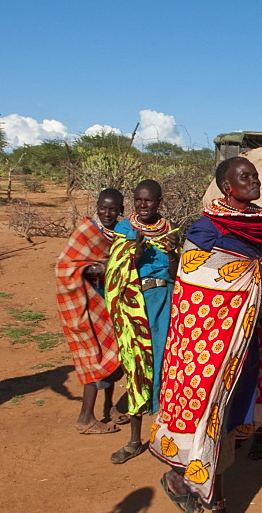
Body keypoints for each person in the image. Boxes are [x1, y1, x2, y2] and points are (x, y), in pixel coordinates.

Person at [151, 156, 262, 513]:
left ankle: (179, 478)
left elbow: (261, 273)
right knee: (213, 416)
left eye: (255, 174)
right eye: (244, 177)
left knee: (228, 420)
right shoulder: (205, 229)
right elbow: (195, 288)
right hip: (208, 344)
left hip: (246, 342)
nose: (254, 181)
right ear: (227, 186)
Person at [105, 180, 179, 464]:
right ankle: (135, 440)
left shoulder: (169, 230)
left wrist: (173, 252)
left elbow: (176, 270)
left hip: (165, 302)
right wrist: (133, 255)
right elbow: (116, 270)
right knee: (137, 366)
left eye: (148, 201)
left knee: (165, 364)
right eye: (138, 200)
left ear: (159, 202)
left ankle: (165, 437)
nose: (142, 205)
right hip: (134, 305)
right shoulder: (125, 229)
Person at [55, 188, 126, 434]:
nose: (107, 213)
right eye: (103, 207)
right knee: (94, 357)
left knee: (114, 354)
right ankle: (85, 418)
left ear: (121, 210)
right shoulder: (86, 232)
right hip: (86, 302)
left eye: (113, 209)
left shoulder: (121, 231)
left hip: (109, 301)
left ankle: (109, 409)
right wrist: (90, 269)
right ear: (96, 206)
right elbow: (65, 266)